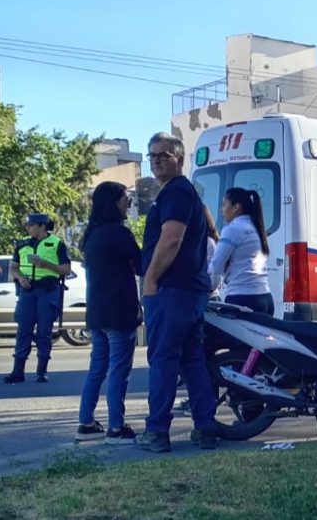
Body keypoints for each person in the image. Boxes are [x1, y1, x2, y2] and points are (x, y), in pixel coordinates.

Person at [137, 132, 217, 453]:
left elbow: (171, 238)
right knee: (191, 360)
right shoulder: (187, 194)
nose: (157, 160)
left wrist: (151, 279)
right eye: (152, 156)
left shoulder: (175, 193)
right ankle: (206, 427)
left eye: (164, 155)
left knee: (163, 359)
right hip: (190, 291)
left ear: (179, 159)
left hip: (172, 290)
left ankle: (157, 431)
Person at [75, 182, 142, 444]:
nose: (129, 203)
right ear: (113, 202)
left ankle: (86, 422)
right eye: (126, 199)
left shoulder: (91, 235)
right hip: (119, 311)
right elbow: (141, 263)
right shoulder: (118, 233)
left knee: (97, 368)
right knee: (118, 371)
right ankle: (116, 427)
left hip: (97, 312)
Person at [4, 213, 71, 384]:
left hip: (47, 290)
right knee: (23, 330)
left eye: (31, 225)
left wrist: (45, 264)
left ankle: (42, 371)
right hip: (27, 291)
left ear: (42, 226)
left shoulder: (56, 244)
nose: (28, 228)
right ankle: (17, 372)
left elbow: (66, 270)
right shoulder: (22, 244)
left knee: (44, 332)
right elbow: (13, 267)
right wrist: (20, 278)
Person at [209, 187, 274, 315]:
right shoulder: (255, 228)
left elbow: (216, 266)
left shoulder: (233, 229)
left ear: (236, 207)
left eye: (224, 205)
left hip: (242, 299)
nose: (221, 210)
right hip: (265, 298)